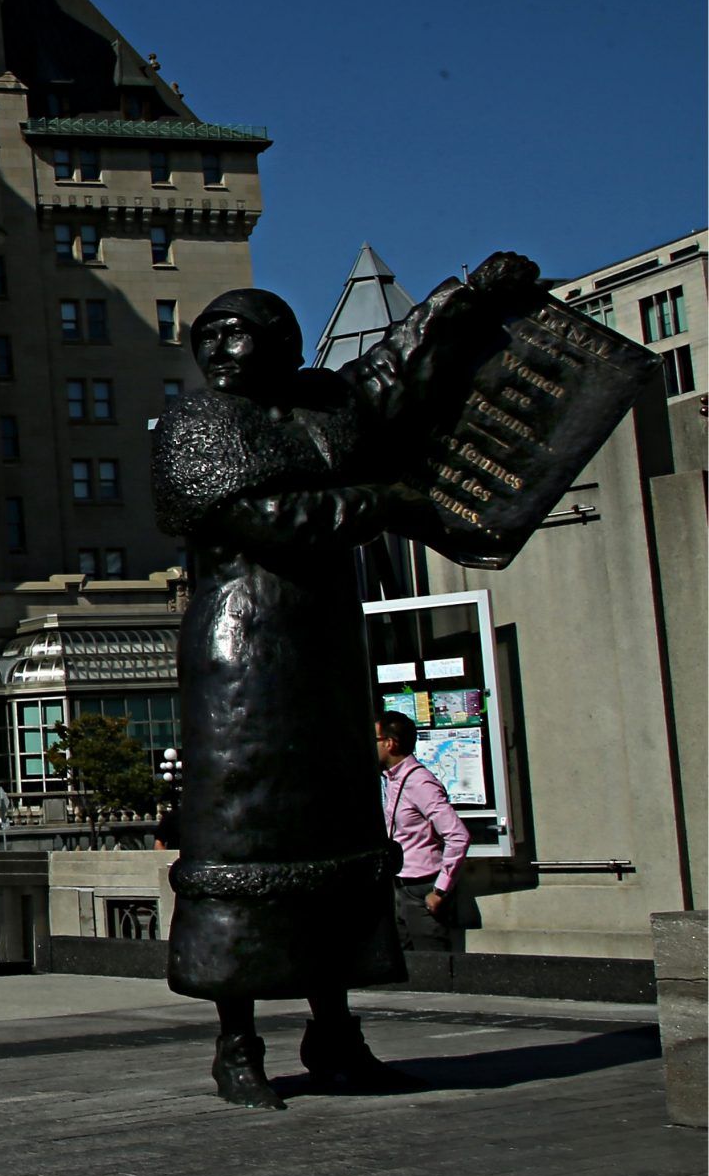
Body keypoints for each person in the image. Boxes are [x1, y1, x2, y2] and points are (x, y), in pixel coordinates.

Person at [151, 264, 537, 1108]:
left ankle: (336, 1028)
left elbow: (401, 366)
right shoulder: (196, 423)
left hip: (320, 648)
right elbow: (262, 517)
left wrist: (471, 297)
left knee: (332, 822)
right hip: (240, 653)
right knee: (242, 841)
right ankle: (237, 1041)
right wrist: (384, 500)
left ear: (283, 342)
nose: (219, 343)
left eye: (237, 329)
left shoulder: (323, 405)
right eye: (208, 332)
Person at [378, 711, 467, 952]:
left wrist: (440, 890)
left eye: (374, 740)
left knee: (432, 966)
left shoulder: (419, 782)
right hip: (399, 885)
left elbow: (458, 836)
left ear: (390, 743)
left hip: (422, 889)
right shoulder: (391, 780)